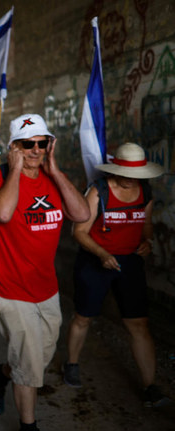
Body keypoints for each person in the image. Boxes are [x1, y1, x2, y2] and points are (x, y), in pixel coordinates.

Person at [0, 114, 90, 431]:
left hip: (45, 287)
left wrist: (55, 171)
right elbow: (1, 212)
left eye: (43, 143)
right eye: (28, 144)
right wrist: (14, 170)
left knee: (38, 358)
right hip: (7, 285)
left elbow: (82, 214)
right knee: (29, 364)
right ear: (14, 147)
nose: (37, 150)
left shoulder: (55, 178)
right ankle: (28, 430)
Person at [63, 142, 170, 407]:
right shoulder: (98, 192)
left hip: (129, 263)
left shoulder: (145, 192)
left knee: (138, 324)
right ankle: (72, 363)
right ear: (116, 169)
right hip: (95, 260)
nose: (130, 180)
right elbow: (78, 232)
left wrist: (147, 242)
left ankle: (150, 386)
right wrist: (102, 254)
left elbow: (145, 225)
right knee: (83, 317)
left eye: (135, 176)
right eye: (125, 174)